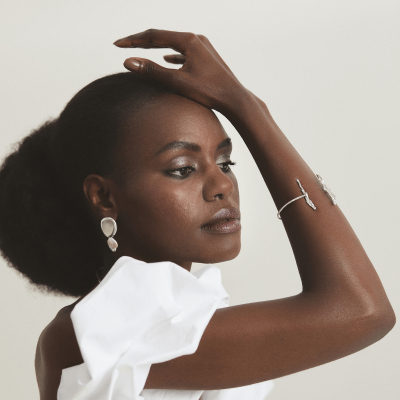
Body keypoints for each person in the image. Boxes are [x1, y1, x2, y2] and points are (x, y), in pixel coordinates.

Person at [0, 29, 395, 400]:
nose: (222, 185)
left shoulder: (182, 316)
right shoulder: (100, 333)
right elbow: (363, 310)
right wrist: (247, 109)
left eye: (225, 162)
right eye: (183, 169)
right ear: (104, 197)